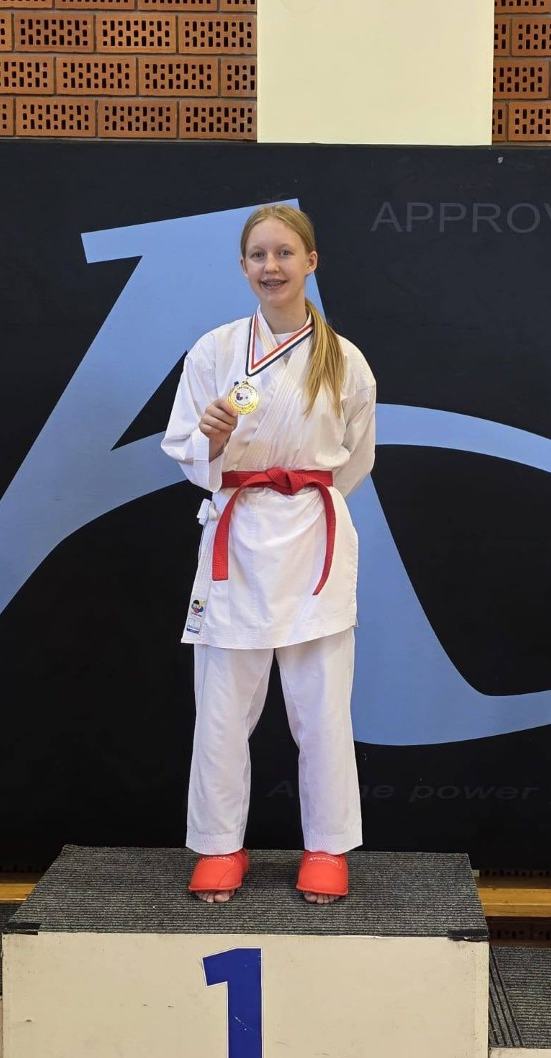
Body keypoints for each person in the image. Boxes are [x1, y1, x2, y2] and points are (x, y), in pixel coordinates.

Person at [161, 205, 377, 905]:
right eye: (258, 255)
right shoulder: (215, 350)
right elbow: (185, 449)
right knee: (223, 708)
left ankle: (327, 847)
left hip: (312, 535)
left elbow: (354, 461)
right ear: (243, 266)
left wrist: (301, 493)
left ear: (311, 262)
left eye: (284, 253)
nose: (271, 266)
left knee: (323, 707)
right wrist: (214, 441)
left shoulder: (345, 360)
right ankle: (219, 845)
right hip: (238, 532)